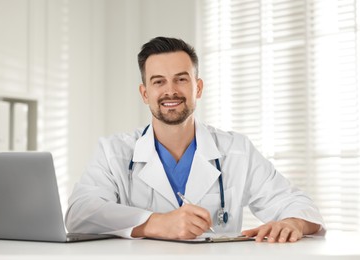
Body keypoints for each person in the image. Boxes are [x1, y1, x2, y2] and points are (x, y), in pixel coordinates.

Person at [65, 36, 324, 243]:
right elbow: (80, 212)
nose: (171, 90)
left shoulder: (236, 150)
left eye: (181, 79)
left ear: (197, 88)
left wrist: (293, 223)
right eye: (158, 82)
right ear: (145, 93)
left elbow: (298, 204)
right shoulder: (114, 151)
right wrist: (156, 223)